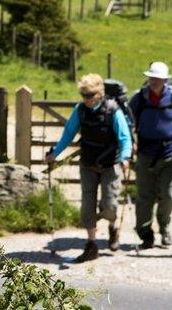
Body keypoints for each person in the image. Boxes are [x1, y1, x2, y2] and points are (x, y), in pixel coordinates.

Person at [46, 73, 132, 263]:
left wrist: (125, 157)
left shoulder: (113, 111)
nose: (86, 99)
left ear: (100, 93)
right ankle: (91, 245)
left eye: (90, 95)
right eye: (83, 95)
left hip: (110, 164)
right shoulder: (80, 110)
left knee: (109, 205)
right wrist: (55, 153)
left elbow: (125, 138)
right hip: (88, 164)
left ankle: (112, 227)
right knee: (87, 205)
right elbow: (68, 134)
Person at [129, 61, 172, 249]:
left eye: (157, 78)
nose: (154, 81)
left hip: (170, 153)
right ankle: (145, 234)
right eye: (152, 78)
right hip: (145, 153)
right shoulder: (140, 97)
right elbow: (127, 119)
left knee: (168, 195)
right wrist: (130, 140)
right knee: (144, 197)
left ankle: (164, 229)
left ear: (165, 80)